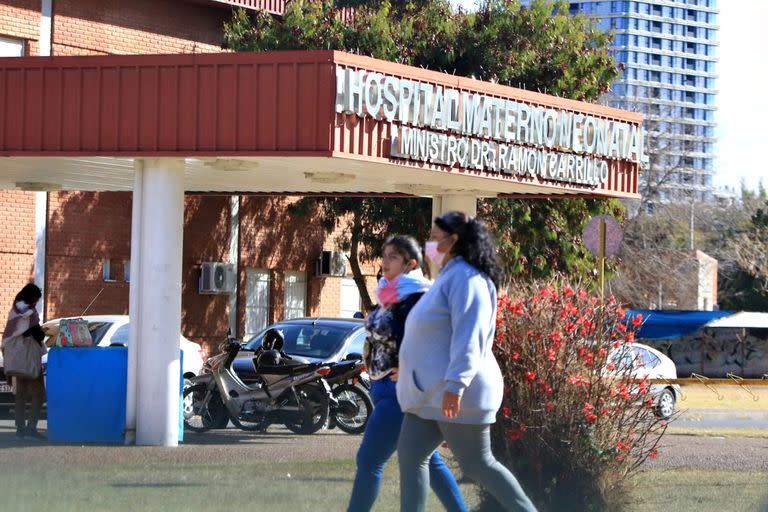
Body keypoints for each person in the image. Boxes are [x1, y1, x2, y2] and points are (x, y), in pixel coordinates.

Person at [397, 212, 538, 512]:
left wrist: (456, 384)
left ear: (454, 240)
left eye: (435, 238)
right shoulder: (448, 276)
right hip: (431, 394)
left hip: (458, 393)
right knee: (410, 456)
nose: (429, 244)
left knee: (478, 464)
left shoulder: (467, 278)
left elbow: (469, 334)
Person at [347, 235, 467, 512]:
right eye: (384, 255)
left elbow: (442, 338)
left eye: (393, 257)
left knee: (369, 460)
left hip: (400, 394)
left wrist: (412, 366)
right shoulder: (389, 293)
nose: (385, 262)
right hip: (385, 389)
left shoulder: (418, 297)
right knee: (428, 460)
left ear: (410, 263)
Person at [2, 283, 46, 440]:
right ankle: (31, 428)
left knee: (20, 395)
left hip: (17, 359)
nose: (36, 303)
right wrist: (41, 332)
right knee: (39, 394)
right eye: (36, 299)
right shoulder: (30, 312)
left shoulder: (14, 311)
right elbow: (37, 335)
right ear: (32, 298)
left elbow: (8, 335)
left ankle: (20, 429)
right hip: (30, 358)